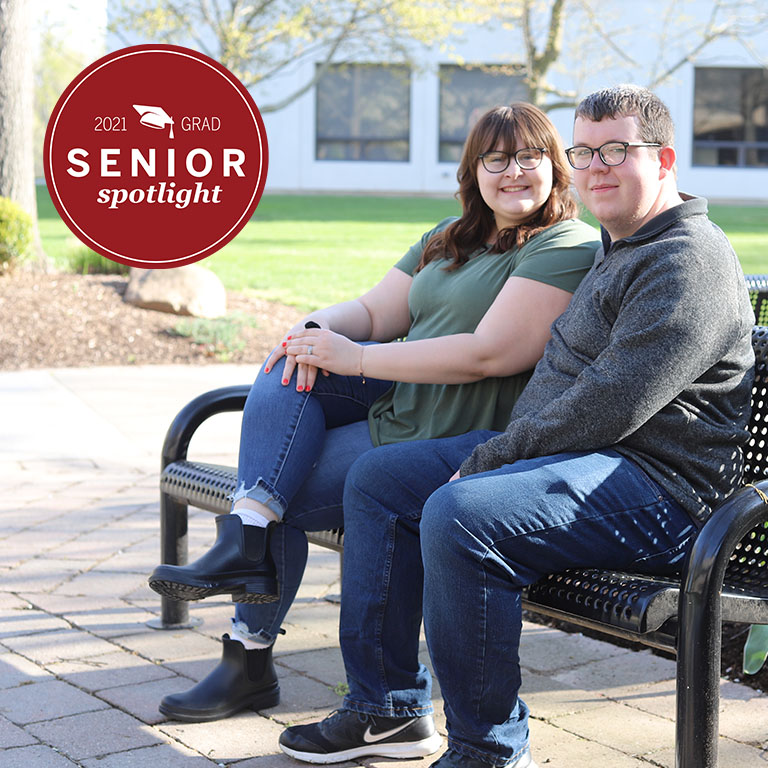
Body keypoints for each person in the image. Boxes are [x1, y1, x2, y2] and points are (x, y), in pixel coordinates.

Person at [278, 84, 755, 767]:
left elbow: (609, 407)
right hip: (592, 461)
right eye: (584, 151)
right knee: (380, 480)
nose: (597, 167)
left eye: (618, 150)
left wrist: (493, 458)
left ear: (666, 159)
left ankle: (489, 751)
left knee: (463, 514)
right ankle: (384, 710)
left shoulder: (686, 261)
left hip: (664, 490)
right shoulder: (620, 243)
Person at [147, 103, 599, 724]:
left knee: (281, 486)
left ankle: (250, 651)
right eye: (496, 158)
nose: (513, 171)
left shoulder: (566, 245)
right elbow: (373, 311)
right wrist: (313, 329)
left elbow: (490, 355)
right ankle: (250, 540)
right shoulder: (450, 236)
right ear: (474, 170)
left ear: (555, 168)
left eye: (529, 157)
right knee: (288, 370)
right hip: (397, 414)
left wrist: (355, 358)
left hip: (463, 439)